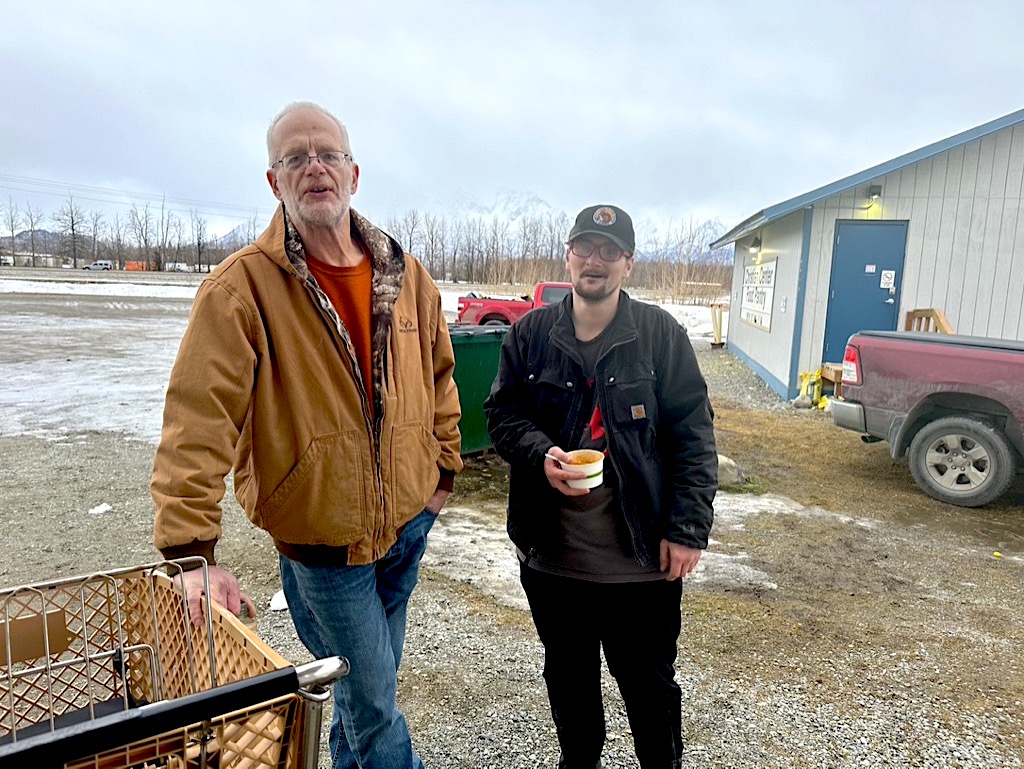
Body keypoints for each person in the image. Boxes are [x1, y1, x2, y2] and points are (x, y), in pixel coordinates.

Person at [151, 101, 462, 769]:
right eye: (295, 158)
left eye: (327, 154)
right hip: (326, 551)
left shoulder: (405, 275)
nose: (314, 167)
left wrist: (442, 477)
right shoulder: (241, 291)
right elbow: (197, 420)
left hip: (407, 527)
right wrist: (190, 551)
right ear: (274, 182)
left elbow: (441, 375)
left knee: (361, 699)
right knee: (376, 709)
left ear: (355, 172)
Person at [483, 204, 717, 769]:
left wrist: (687, 531)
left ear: (629, 264)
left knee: (650, 690)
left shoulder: (661, 335)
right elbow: (501, 415)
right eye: (585, 248)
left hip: (642, 563)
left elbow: (694, 436)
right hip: (552, 558)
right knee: (569, 682)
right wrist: (542, 455)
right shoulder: (531, 334)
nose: (596, 261)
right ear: (568, 256)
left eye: (610, 252)